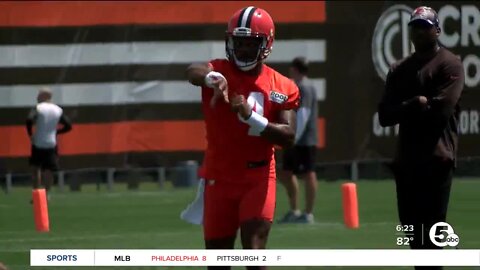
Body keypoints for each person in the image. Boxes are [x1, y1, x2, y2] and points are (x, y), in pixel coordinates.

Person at [186, 6, 299, 270]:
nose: (243, 49)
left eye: (251, 43)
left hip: (257, 178)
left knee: (254, 255)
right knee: (217, 262)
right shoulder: (218, 70)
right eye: (239, 42)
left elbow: (288, 137)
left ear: (266, 45)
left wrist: (252, 118)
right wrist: (212, 78)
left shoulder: (282, 86)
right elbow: (193, 71)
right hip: (219, 178)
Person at [378, 6, 464, 269]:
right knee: (412, 232)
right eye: (415, 26)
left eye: (425, 26)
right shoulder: (399, 68)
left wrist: (407, 108)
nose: (419, 31)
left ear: (437, 30)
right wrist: (416, 103)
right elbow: (384, 116)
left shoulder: (450, 63)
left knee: (433, 232)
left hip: (437, 160)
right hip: (407, 162)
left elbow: (442, 108)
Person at [278, 57, 319, 224]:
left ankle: (308, 213)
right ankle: (294, 210)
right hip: (293, 137)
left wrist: (293, 136)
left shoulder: (305, 88)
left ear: (294, 69)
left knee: (308, 174)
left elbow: (303, 114)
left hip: (304, 139)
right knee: (287, 173)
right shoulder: (296, 87)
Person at [26, 87, 73, 198]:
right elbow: (68, 126)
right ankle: (46, 194)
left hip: (38, 142)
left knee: (36, 168)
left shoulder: (38, 108)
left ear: (44, 96)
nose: (37, 97)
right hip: (51, 143)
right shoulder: (57, 110)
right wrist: (56, 132)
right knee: (49, 170)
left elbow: (29, 120)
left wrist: (30, 134)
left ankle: (36, 194)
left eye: (39, 95)